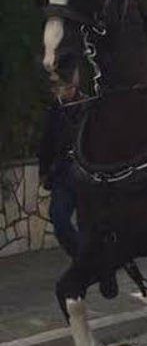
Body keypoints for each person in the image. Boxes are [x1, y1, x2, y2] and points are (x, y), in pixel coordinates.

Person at [37, 82, 84, 259]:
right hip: (62, 174)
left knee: (89, 224)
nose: (57, 91)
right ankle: (83, 258)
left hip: (86, 175)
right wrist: (44, 170)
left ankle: (98, 267)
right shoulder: (55, 111)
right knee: (59, 219)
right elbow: (46, 142)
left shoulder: (87, 106)